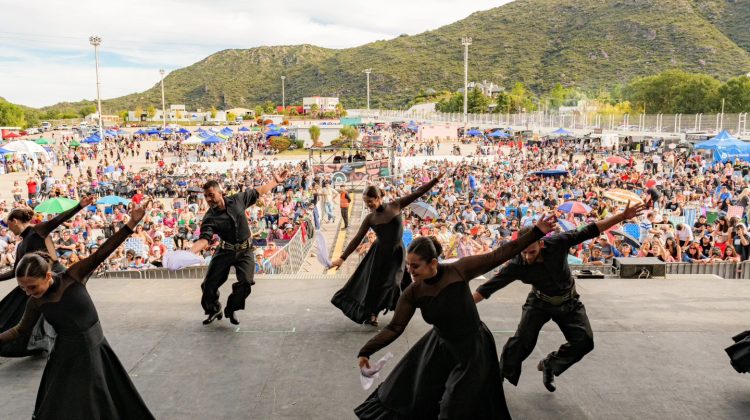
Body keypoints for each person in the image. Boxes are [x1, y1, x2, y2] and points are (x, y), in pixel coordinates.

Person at [355, 216, 556, 420]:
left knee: (454, 407)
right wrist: (366, 351)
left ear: (433, 263)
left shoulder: (459, 270)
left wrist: (536, 232)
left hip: (472, 349)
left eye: (415, 266)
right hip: (440, 348)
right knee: (412, 398)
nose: (410, 271)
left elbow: (499, 254)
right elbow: (395, 327)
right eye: (408, 265)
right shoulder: (413, 293)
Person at [0, 200, 154, 420]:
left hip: (94, 346)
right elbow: (20, 330)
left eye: (32, 286)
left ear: (47, 276)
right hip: (65, 354)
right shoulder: (35, 302)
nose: (27, 292)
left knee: (101, 400)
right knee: (63, 404)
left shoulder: (73, 277)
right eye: (23, 288)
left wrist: (131, 223)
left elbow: (102, 253)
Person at [473, 201, 646, 392]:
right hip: (539, 302)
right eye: (524, 253)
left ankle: (550, 364)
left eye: (532, 252)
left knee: (584, 341)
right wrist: (462, 306)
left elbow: (591, 230)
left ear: (541, 243)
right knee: (521, 342)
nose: (528, 257)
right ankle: (498, 378)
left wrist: (621, 216)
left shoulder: (557, 242)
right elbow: (487, 288)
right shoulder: (517, 265)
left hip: (568, 301)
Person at [330, 172, 444, 326]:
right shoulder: (370, 218)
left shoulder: (396, 205)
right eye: (366, 202)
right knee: (375, 285)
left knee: (394, 284)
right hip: (379, 255)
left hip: (397, 253)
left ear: (378, 198)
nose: (368, 205)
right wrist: (342, 258)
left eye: (370, 201)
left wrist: (435, 180)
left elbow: (417, 192)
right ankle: (373, 314)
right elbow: (357, 239)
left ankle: (398, 310)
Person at [0, 195, 96, 357]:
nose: (8, 229)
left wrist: (80, 206)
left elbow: (58, 220)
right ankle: (37, 343)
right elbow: (15, 271)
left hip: (57, 277)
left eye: (8, 225)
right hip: (38, 281)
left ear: (14, 221)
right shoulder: (20, 245)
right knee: (16, 304)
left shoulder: (37, 230)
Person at [191, 171, 288, 326]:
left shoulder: (237, 200)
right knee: (208, 285)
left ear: (220, 192)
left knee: (246, 282)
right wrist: (188, 253)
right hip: (225, 251)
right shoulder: (209, 218)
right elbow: (204, 239)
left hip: (245, 250)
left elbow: (258, 191)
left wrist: (275, 182)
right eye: (206, 196)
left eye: (211, 195)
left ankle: (231, 309)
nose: (208, 199)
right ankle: (214, 309)